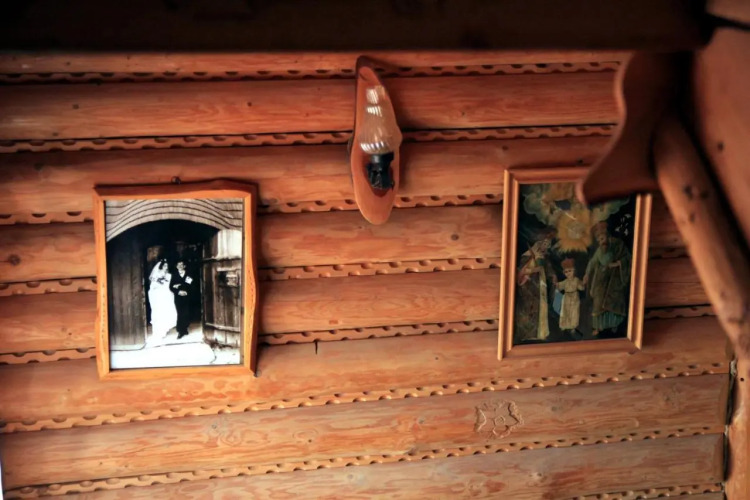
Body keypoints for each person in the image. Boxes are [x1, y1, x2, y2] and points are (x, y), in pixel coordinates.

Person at [583, 222, 631, 336]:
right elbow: (592, 262)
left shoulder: (617, 244)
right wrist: (587, 274)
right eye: (599, 240)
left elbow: (627, 257)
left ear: (607, 235)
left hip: (614, 279)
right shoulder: (599, 250)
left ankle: (614, 324)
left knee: (614, 301)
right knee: (598, 303)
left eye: (602, 238)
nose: (601, 241)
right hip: (601, 280)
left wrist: (618, 264)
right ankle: (598, 327)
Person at [515, 229, 557, 342]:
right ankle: (527, 335)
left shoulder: (543, 256)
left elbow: (548, 268)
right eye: (545, 244)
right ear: (539, 243)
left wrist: (553, 276)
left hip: (540, 285)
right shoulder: (527, 256)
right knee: (529, 310)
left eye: (548, 245)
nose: (546, 247)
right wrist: (535, 268)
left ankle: (541, 334)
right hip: (528, 287)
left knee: (542, 307)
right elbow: (522, 272)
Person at [147, 259, 178, 341]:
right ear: (161, 266)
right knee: (158, 313)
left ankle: (164, 329)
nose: (166, 267)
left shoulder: (169, 275)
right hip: (159, 296)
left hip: (167, 296)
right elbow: (152, 287)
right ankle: (158, 332)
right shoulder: (156, 275)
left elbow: (170, 285)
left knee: (166, 312)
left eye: (167, 266)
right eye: (164, 266)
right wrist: (158, 284)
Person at [556, 258, 585, 335]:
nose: (568, 273)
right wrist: (556, 284)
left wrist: (583, 283)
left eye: (570, 271)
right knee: (565, 312)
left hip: (574, 297)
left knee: (574, 312)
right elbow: (559, 286)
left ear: (573, 271)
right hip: (566, 297)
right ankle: (565, 325)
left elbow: (581, 288)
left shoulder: (576, 280)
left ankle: (573, 327)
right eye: (566, 272)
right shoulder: (565, 281)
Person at [170, 260, 195, 339]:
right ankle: (180, 331)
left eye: (181, 265)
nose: (180, 266)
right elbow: (171, 287)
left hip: (187, 296)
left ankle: (185, 328)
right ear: (176, 267)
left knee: (186, 312)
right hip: (178, 297)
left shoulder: (188, 274)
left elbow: (190, 285)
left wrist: (181, 287)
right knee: (180, 313)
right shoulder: (174, 275)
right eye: (178, 265)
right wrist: (178, 291)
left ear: (184, 266)